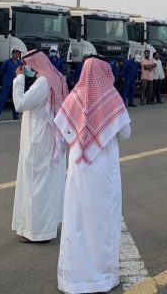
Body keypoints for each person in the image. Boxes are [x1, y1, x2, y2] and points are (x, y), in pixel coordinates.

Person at [54, 56, 131, 294]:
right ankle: (101, 277)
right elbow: (126, 133)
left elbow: (63, 128)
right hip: (104, 170)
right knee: (102, 219)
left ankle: (74, 279)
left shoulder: (74, 97)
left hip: (79, 168)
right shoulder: (112, 98)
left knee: (77, 217)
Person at [11, 49, 68, 243]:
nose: (25, 68)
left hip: (39, 139)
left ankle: (38, 232)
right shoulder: (56, 78)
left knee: (37, 185)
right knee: (47, 184)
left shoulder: (43, 83)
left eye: (26, 65)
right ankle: (46, 226)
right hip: (49, 138)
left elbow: (20, 104)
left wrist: (19, 79)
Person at [0, 49, 22, 121]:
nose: (16, 55)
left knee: (15, 100)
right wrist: (5, 79)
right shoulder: (7, 62)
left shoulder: (20, 63)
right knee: (2, 99)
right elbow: (2, 71)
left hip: (16, 84)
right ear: (12, 54)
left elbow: (21, 73)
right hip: (7, 83)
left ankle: (16, 115)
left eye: (18, 54)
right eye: (15, 54)